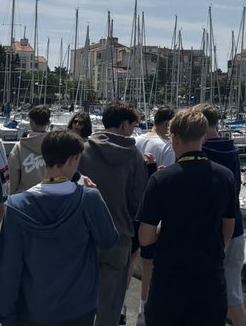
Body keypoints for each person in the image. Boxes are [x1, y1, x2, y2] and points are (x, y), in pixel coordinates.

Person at [0, 130, 119, 326]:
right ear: (73, 160)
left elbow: (9, 267)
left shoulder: (16, 206)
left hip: (33, 309)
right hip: (79, 308)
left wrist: (5, 314)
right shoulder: (89, 199)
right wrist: (96, 195)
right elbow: (108, 240)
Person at [138, 108, 236, 326]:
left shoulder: (160, 180)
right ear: (203, 137)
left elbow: (145, 237)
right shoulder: (224, 177)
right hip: (209, 279)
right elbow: (228, 228)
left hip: (169, 280)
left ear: (174, 138)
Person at [79, 102, 148, 326]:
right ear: (124, 124)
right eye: (133, 125)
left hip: (84, 234)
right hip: (119, 235)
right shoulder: (134, 156)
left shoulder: (83, 150)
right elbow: (139, 203)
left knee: (79, 299)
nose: (133, 131)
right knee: (110, 305)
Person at [195, 103, 246, 326]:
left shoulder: (202, 153)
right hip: (235, 229)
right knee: (233, 296)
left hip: (208, 233)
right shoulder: (232, 150)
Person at [132, 105, 176, 321]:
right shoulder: (166, 147)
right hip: (153, 210)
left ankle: (121, 306)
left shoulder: (138, 139)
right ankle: (143, 309)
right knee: (149, 263)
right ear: (168, 124)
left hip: (133, 206)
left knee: (129, 261)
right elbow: (168, 181)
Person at [8, 105, 53, 194]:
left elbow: (13, 175)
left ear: (31, 122)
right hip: (50, 196)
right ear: (48, 123)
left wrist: (12, 196)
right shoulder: (56, 146)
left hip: (24, 198)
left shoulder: (19, 147)